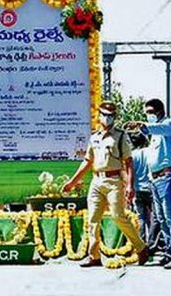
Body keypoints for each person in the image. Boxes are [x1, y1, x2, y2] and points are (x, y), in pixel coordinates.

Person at [62, 101, 149, 267]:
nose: (107, 118)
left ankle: (141, 248)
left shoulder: (121, 136)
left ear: (114, 117)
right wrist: (72, 182)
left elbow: (128, 162)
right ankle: (94, 256)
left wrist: (130, 185)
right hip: (96, 180)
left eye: (110, 115)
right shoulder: (94, 137)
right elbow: (87, 161)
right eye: (104, 114)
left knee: (118, 216)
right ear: (98, 116)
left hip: (114, 181)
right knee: (93, 219)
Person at [130, 98, 171, 269]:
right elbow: (149, 132)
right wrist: (142, 129)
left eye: (151, 111)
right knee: (161, 218)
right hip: (155, 179)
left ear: (160, 111)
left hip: (167, 177)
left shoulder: (168, 124)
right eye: (146, 112)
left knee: (170, 217)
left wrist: (142, 124)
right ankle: (169, 252)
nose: (148, 115)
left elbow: (156, 128)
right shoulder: (154, 136)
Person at [129, 131, 163, 255]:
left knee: (140, 217)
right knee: (155, 217)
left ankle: (141, 244)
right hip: (151, 188)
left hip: (137, 189)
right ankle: (152, 244)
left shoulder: (132, 155)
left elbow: (129, 174)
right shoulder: (150, 152)